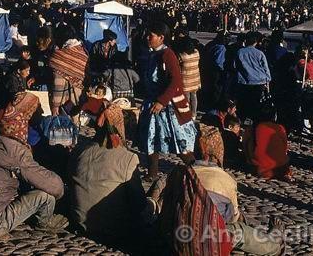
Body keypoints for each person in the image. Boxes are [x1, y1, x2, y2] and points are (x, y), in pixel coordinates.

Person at [0, 73, 66, 240]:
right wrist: (63, 189)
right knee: (45, 196)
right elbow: (54, 186)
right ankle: (44, 224)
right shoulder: (15, 152)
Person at [153, 131, 284, 256]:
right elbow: (232, 217)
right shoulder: (225, 179)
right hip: (210, 243)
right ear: (217, 153)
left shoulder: (180, 174)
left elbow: (166, 211)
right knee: (240, 231)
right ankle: (274, 245)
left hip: (176, 241)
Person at [67, 104, 145, 247]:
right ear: (121, 127)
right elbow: (139, 204)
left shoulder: (81, 151)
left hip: (79, 221)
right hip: (114, 228)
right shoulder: (128, 158)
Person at [137, 20, 197, 181]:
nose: (147, 37)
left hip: (167, 105)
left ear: (161, 37)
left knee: (178, 141)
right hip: (152, 102)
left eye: (151, 35)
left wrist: (162, 101)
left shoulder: (167, 55)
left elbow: (176, 80)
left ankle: (195, 169)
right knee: (151, 138)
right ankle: (152, 173)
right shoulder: (152, 53)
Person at [233, 32, 272, 123]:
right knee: (256, 104)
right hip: (259, 82)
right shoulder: (260, 53)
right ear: (255, 43)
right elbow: (266, 69)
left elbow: (234, 66)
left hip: (244, 82)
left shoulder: (239, 52)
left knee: (243, 104)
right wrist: (267, 80)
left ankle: (242, 122)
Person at [48, 37, 88, 116]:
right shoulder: (83, 53)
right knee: (74, 118)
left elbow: (58, 84)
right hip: (77, 95)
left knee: (63, 121)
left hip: (63, 97)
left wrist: (55, 105)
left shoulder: (59, 57)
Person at [178, 37, 201, 119]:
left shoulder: (182, 56)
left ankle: (187, 113)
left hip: (186, 80)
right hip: (195, 79)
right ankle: (194, 114)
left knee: (186, 98)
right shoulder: (196, 53)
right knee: (194, 97)